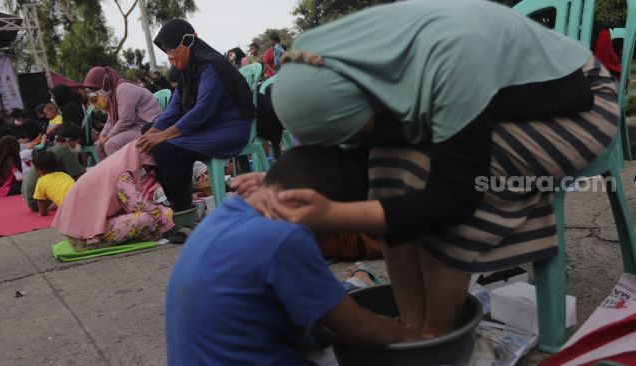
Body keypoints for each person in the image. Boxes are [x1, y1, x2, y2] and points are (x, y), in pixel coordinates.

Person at [233, 0, 621, 339]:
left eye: (362, 130)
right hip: (497, 102)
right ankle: (411, 322)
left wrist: (334, 214)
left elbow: (454, 197)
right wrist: (286, 181)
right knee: (388, 162)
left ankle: (438, 333)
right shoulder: (324, 61)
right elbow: (347, 156)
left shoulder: (449, 55)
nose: (367, 139)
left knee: (459, 176)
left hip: (574, 105)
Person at [166, 146, 420, 365]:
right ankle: (356, 283)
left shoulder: (224, 214)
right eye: (327, 232)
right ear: (307, 204)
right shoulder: (284, 236)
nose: (319, 244)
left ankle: (353, 286)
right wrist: (407, 335)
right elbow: (356, 328)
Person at [136, 19, 255, 212]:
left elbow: (202, 111)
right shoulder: (188, 73)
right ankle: (180, 203)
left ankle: (183, 210)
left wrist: (163, 135)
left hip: (230, 130)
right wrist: (150, 134)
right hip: (210, 127)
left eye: (172, 49)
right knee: (149, 134)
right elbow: (173, 110)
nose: (170, 56)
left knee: (164, 148)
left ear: (188, 42)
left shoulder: (211, 66)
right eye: (166, 52)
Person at [53, 141, 174, 252]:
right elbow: (137, 206)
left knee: (146, 218)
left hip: (77, 236)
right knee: (146, 218)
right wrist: (162, 214)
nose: (147, 168)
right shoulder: (122, 174)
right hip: (85, 240)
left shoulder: (116, 164)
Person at [83, 66, 162, 158]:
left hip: (146, 126)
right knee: (98, 145)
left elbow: (127, 120)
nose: (97, 92)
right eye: (94, 90)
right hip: (133, 127)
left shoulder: (123, 88)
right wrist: (102, 136)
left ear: (104, 81)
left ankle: (123, 172)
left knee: (110, 144)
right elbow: (110, 120)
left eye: (97, 88)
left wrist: (108, 137)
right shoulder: (112, 94)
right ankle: (109, 172)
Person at [21, 123, 86, 212]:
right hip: (39, 202)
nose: (78, 146)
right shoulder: (64, 151)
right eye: (78, 143)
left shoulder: (54, 149)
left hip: (31, 199)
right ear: (69, 140)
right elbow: (82, 177)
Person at [32, 151, 75, 216]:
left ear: (39, 171)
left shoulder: (41, 181)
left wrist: (42, 213)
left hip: (68, 206)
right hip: (79, 195)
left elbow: (40, 201)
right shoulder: (65, 175)